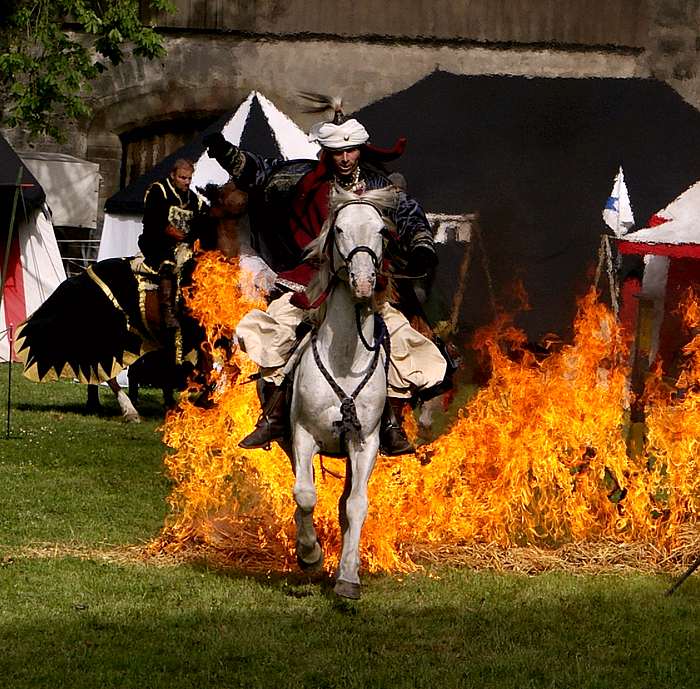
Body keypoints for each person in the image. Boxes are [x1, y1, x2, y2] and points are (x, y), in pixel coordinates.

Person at [204, 111, 447, 455]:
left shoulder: (378, 186)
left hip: (367, 283)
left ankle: (391, 423)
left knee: (398, 339)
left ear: (360, 150)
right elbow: (261, 171)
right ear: (327, 152)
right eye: (337, 152)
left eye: (350, 152)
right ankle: (273, 415)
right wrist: (225, 152)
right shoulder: (303, 178)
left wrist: (421, 244)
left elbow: (408, 213)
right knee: (278, 331)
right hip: (312, 280)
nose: (345, 159)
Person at [138, 158, 206, 329]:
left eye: (189, 178)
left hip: (184, 246)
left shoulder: (195, 200)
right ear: (173, 175)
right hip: (156, 241)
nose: (187, 182)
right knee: (168, 264)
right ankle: (167, 310)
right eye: (183, 178)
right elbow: (152, 219)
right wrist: (170, 231)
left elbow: (199, 224)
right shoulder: (158, 190)